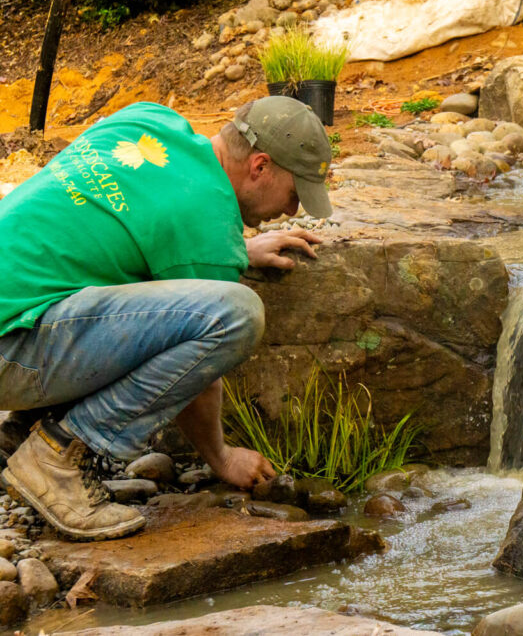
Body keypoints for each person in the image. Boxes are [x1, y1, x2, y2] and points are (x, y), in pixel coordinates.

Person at [0, 95, 333, 541]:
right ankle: (57, 457)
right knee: (235, 313)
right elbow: (198, 365)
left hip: (14, 313)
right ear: (260, 166)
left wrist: (229, 251)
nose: (292, 212)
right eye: (294, 194)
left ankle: (23, 435)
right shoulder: (203, 221)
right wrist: (220, 457)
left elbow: (131, 225)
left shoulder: (150, 120)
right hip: (10, 350)